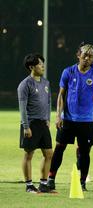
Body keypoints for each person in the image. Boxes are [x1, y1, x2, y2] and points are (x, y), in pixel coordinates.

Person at [47, 42, 93, 191]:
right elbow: (61, 95)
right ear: (78, 55)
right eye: (84, 55)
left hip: (86, 120)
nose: (87, 58)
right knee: (59, 148)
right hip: (68, 119)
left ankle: (82, 183)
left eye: (90, 56)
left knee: (85, 151)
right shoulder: (68, 72)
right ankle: (51, 178)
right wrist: (58, 116)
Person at [17, 54, 53, 193]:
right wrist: (26, 126)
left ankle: (43, 184)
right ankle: (29, 185)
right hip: (31, 124)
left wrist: (48, 118)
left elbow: (48, 102)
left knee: (49, 153)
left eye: (43, 63)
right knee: (29, 154)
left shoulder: (45, 83)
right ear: (31, 67)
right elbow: (22, 107)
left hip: (43, 123)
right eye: (39, 64)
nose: (42, 66)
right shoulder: (25, 84)